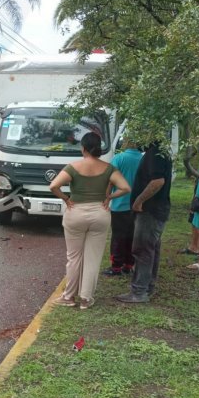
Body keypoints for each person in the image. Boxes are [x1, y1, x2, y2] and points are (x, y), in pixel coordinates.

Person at [49, 132, 131, 309]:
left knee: (74, 257)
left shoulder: (73, 167)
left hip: (76, 212)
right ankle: (86, 299)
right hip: (100, 213)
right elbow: (125, 188)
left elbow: (53, 186)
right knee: (93, 257)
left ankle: (69, 297)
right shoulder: (109, 168)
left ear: (83, 148)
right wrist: (109, 197)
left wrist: (66, 198)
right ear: (99, 149)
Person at [116, 142, 172, 303]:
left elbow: (158, 181)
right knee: (151, 249)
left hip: (150, 211)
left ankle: (139, 291)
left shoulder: (155, 153)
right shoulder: (158, 151)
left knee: (142, 250)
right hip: (156, 210)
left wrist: (139, 200)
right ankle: (147, 286)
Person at [101, 139, 143, 276]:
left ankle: (116, 267)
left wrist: (107, 196)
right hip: (138, 205)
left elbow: (110, 180)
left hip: (120, 204)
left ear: (126, 143)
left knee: (118, 236)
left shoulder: (119, 158)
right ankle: (129, 265)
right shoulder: (143, 159)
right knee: (132, 236)